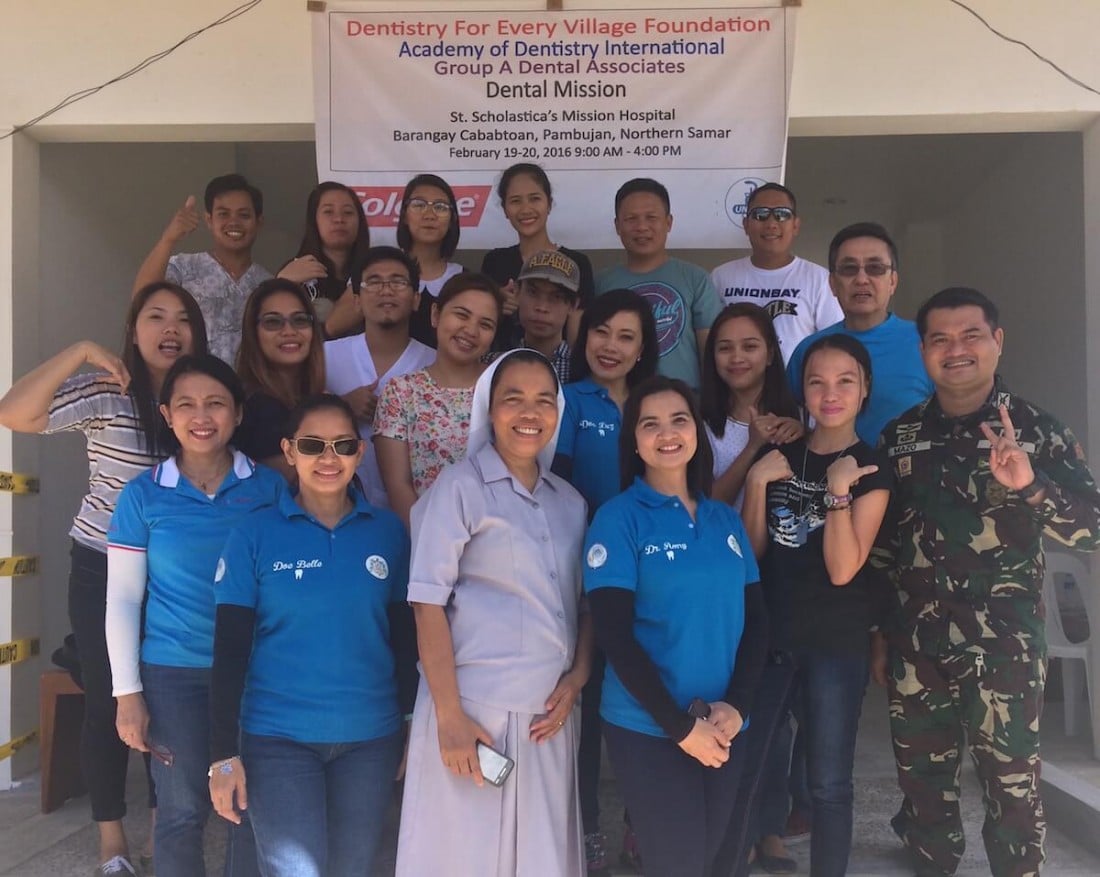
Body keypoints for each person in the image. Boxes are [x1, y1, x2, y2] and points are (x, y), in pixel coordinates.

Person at [873, 287, 1100, 877]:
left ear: (997, 342)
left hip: (1003, 646)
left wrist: (1030, 485)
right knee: (922, 787)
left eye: (971, 335)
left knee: (1013, 790)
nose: (957, 349)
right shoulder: (900, 436)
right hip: (915, 646)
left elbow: (1093, 529)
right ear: (923, 350)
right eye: (940, 339)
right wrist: (878, 631)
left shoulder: (1034, 429)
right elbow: (884, 546)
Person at [0, 282, 206, 877]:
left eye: (182, 319)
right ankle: (112, 839)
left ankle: (168, 823)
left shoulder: (203, 399)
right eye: (154, 316)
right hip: (102, 564)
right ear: (134, 330)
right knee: (109, 700)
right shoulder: (107, 392)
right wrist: (82, 350)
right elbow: (16, 412)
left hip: (176, 572)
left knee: (167, 698)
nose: (170, 327)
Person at [395, 349, 592, 877]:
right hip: (475, 714)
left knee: (541, 860)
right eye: (513, 399)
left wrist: (578, 678)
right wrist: (451, 718)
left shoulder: (570, 502)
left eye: (544, 401)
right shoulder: (458, 488)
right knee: (462, 859)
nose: (530, 413)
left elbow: (584, 602)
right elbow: (426, 603)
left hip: (549, 717)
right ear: (488, 408)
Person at [208, 394, 415, 877]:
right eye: (313, 444)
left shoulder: (388, 533)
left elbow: (406, 640)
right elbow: (229, 650)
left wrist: (410, 723)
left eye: (343, 445)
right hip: (278, 739)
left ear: (360, 454)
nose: (328, 458)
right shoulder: (253, 535)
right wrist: (221, 756)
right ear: (289, 450)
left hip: (371, 738)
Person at [106, 354, 284, 877]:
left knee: (248, 806)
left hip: (255, 671)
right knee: (182, 809)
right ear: (166, 414)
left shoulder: (269, 490)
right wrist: (127, 694)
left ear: (238, 414)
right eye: (186, 404)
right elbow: (122, 598)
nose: (201, 415)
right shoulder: (142, 495)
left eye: (215, 403)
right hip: (174, 673)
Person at [583, 375, 768, 877]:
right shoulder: (617, 519)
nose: (667, 433)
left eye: (679, 419)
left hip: (728, 723)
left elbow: (756, 624)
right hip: (650, 727)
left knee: (720, 861)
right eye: (650, 423)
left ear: (696, 433)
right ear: (635, 440)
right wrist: (680, 726)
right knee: (679, 863)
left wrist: (738, 704)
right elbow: (615, 637)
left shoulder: (723, 520)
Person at [735, 334, 892, 877]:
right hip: (770, 635)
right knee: (750, 764)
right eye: (817, 381)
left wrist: (837, 493)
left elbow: (843, 568)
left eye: (845, 380)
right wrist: (757, 483)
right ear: (801, 389)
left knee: (828, 783)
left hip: (834, 643)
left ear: (864, 389)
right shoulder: (782, 454)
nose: (830, 393)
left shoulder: (870, 468)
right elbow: (752, 554)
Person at [551, 288, 658, 874]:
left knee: (648, 697)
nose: (610, 346)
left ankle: (642, 825)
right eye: (600, 331)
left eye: (626, 336)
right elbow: (558, 489)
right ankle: (587, 828)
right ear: (582, 336)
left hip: (652, 576)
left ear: (644, 348)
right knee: (588, 707)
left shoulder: (657, 403)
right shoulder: (567, 402)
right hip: (583, 576)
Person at [374, 273, 503, 527]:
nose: (471, 331)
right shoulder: (401, 392)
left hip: (497, 542)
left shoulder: (504, 389)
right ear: (435, 314)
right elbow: (398, 486)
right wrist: (434, 548)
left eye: (485, 324)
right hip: (425, 542)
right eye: (461, 315)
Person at [786, 222, 933, 445]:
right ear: (833, 283)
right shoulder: (811, 349)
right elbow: (789, 420)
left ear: (892, 281)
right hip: (827, 477)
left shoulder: (926, 343)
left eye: (875, 268)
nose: (862, 279)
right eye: (849, 269)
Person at [324, 247, 435, 506]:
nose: (386, 290)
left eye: (398, 281)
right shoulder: (325, 357)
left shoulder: (434, 363)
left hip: (416, 511)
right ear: (356, 300)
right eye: (373, 282)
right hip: (340, 511)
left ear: (416, 298)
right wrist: (342, 408)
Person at [596, 178, 721, 391]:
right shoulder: (601, 283)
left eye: (651, 217)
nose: (642, 227)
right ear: (617, 226)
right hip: (620, 404)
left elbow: (710, 353)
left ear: (669, 222)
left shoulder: (695, 278)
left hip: (684, 403)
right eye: (631, 219)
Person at [132, 174, 271, 365]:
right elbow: (141, 300)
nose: (234, 222)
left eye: (244, 215)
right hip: (191, 387)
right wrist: (168, 239)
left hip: (251, 390)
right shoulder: (183, 268)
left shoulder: (268, 283)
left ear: (259, 222)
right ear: (209, 219)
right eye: (223, 214)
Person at [710, 183, 842, 363]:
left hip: (794, 389)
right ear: (746, 224)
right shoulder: (720, 277)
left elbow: (833, 346)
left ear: (795, 225)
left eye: (782, 214)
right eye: (760, 215)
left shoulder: (819, 279)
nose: (771, 223)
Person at [700, 303, 802, 511]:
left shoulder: (801, 414)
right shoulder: (699, 424)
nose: (736, 358)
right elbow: (707, 507)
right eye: (725, 348)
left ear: (770, 354)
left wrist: (806, 435)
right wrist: (752, 447)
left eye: (750, 347)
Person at [481, 162, 595, 345]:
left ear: (549, 204)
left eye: (534, 199)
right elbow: (482, 324)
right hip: (502, 365)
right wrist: (494, 303)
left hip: (559, 368)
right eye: (516, 201)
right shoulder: (494, 262)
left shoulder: (577, 263)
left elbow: (577, 335)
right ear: (505, 209)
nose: (526, 209)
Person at [234, 278, 326, 479]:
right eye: (273, 322)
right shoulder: (249, 407)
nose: (289, 331)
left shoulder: (313, 399)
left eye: (300, 320)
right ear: (253, 333)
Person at [278, 181, 371, 339]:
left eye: (348, 212)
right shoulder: (295, 271)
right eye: (328, 212)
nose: (339, 219)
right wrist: (281, 283)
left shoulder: (373, 271)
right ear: (314, 220)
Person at [395, 173, 466, 347]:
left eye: (440, 207)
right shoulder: (381, 270)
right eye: (418, 205)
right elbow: (331, 328)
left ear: (452, 220)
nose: (429, 215)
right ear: (404, 215)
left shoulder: (463, 280)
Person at [493, 249, 581, 384]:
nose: (542, 307)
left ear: (573, 305)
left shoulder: (584, 370)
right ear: (516, 292)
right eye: (533, 292)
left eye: (556, 297)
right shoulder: (493, 366)